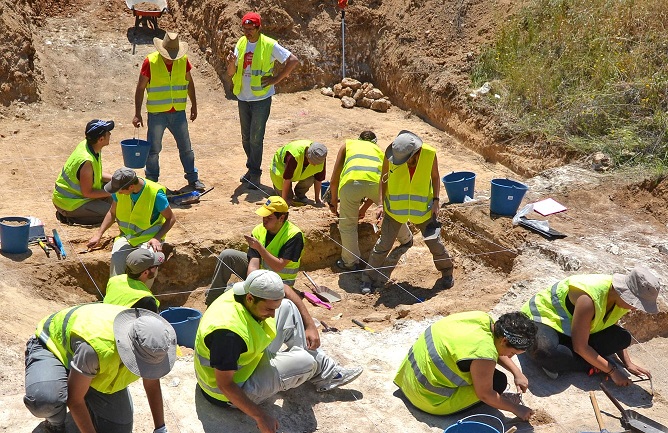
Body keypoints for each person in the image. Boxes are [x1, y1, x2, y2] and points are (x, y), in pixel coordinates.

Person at [195, 269, 363, 433]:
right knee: (307, 363)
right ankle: (314, 366)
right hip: (225, 394)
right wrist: (260, 416)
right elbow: (225, 385)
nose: (273, 314)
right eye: (269, 310)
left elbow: (286, 290)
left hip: (246, 360)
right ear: (250, 298)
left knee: (288, 306)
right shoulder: (228, 334)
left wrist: (310, 325)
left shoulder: (243, 291)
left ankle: (324, 372)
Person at [23, 303, 176, 433]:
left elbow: (152, 383)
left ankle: (84, 387)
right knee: (45, 400)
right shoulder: (98, 348)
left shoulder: (152, 345)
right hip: (52, 345)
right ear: (129, 351)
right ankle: (55, 424)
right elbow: (75, 400)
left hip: (86, 359)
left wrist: (160, 428)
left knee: (119, 430)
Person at [204, 196, 320, 344]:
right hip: (261, 275)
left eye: (269, 217)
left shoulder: (294, 235)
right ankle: (211, 302)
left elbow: (279, 265)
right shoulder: (259, 230)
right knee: (227, 256)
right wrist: (252, 285)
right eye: (263, 216)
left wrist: (259, 248)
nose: (264, 220)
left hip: (281, 282)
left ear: (281, 217)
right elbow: (253, 263)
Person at [521, 266, 661, 385]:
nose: (634, 308)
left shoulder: (621, 300)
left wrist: (628, 363)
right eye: (635, 303)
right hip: (543, 320)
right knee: (547, 352)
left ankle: (581, 359)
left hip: (574, 330)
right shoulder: (589, 298)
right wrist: (612, 370)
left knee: (623, 338)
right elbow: (579, 346)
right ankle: (578, 361)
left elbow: (612, 324)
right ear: (625, 293)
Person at [394, 311, 537, 420]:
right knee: (498, 382)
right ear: (505, 340)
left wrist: (517, 373)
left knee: (489, 373)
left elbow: (494, 346)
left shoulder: (482, 319)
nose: (510, 357)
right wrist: (516, 409)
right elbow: (485, 395)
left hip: (407, 378)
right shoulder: (484, 354)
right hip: (427, 399)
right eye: (512, 352)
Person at [360, 130, 453, 294]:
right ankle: (368, 278)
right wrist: (381, 204)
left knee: (435, 244)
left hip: (422, 210)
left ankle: (447, 272)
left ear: (416, 152)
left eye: (408, 159)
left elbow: (435, 177)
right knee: (383, 245)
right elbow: (383, 178)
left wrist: (436, 201)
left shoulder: (429, 154)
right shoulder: (392, 156)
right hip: (395, 210)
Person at [227, 12, 299, 189]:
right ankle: (251, 168)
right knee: (246, 138)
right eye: (244, 29)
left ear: (259, 28)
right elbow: (231, 72)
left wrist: (276, 79)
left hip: (261, 98)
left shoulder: (269, 44)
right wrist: (230, 62)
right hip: (243, 97)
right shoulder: (241, 43)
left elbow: (293, 60)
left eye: (250, 29)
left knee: (256, 138)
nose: (247, 33)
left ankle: (255, 173)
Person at [328, 130, 412, 271]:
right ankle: (407, 239)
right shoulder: (379, 150)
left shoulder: (347, 145)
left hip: (350, 183)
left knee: (348, 225)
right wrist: (366, 208)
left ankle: (350, 262)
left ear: (359, 139)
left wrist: (334, 201)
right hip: (376, 183)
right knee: (392, 214)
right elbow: (373, 186)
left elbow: (334, 179)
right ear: (374, 142)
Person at [133, 32, 205, 192]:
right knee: (153, 150)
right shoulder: (150, 62)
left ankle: (193, 179)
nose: (170, 59)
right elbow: (140, 88)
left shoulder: (183, 61)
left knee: (186, 147)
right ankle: (151, 182)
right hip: (157, 114)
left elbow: (189, 83)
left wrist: (194, 104)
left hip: (178, 112)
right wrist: (137, 113)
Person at [87, 167, 176, 280]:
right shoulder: (119, 191)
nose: (118, 193)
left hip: (149, 239)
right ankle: (117, 293)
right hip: (127, 237)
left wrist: (157, 238)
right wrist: (98, 235)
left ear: (131, 187)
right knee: (117, 263)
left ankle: (143, 296)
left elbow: (171, 218)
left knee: (145, 268)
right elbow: (112, 212)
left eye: (120, 190)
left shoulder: (155, 194)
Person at [52, 119, 114, 225]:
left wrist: (116, 180)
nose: (110, 133)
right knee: (112, 213)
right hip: (69, 202)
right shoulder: (86, 161)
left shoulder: (89, 145)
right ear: (101, 139)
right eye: (107, 132)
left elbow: (96, 174)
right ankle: (67, 217)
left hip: (76, 196)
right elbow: (88, 192)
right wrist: (114, 191)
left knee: (118, 199)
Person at [104, 248, 165, 313]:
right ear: (145, 272)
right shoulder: (147, 300)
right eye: (156, 266)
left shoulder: (114, 280)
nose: (157, 268)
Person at [270, 140, 327, 205]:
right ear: (307, 155)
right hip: (280, 171)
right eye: (313, 162)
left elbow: (318, 179)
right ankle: (280, 191)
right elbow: (287, 178)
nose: (315, 165)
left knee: (310, 179)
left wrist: (317, 200)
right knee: (288, 199)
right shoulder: (294, 156)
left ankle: (299, 194)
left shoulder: (320, 157)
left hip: (297, 172)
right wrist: (284, 200)